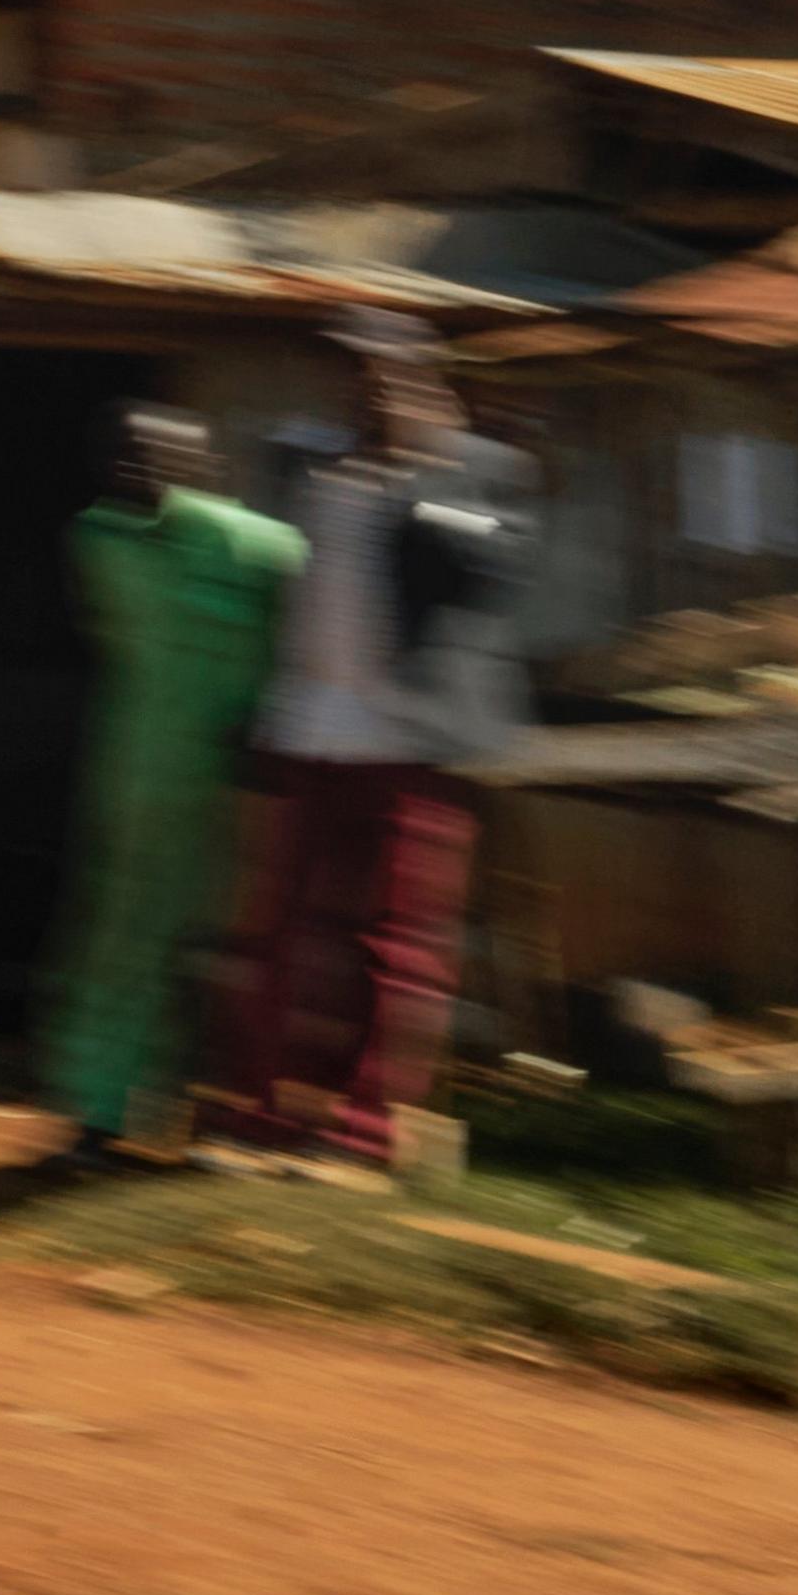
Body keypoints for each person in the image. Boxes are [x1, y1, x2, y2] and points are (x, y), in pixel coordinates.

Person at [222, 324, 531, 1174]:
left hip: (407, 741)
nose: (371, 399)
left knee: (396, 953)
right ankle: (267, 1112)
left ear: (429, 387)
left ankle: (366, 1134)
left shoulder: (478, 474)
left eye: (390, 382)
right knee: (281, 938)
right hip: (307, 730)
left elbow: (486, 575)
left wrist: (430, 465)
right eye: (357, 383)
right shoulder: (305, 472)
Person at [40, 402, 299, 1155]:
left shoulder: (256, 545)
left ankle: (211, 1108)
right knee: (123, 944)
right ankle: (101, 1109)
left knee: (226, 951)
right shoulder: (100, 539)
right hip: (136, 776)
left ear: (201, 466)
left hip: (236, 785)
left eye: (157, 454)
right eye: (126, 454)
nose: (138, 468)